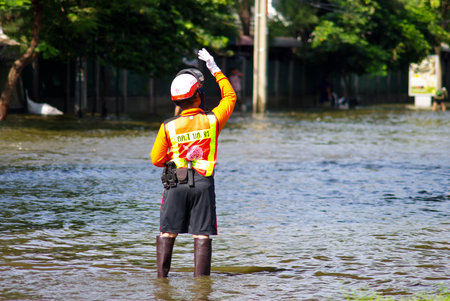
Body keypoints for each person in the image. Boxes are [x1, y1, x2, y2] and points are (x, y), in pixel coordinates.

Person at [150, 48, 236, 277]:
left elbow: (156, 159)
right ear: (198, 95)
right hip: (203, 184)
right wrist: (213, 68)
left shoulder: (168, 126)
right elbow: (230, 97)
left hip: (175, 184)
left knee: (167, 232)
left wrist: (177, 159)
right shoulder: (212, 120)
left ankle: (161, 282)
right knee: (201, 235)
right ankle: (201, 288)